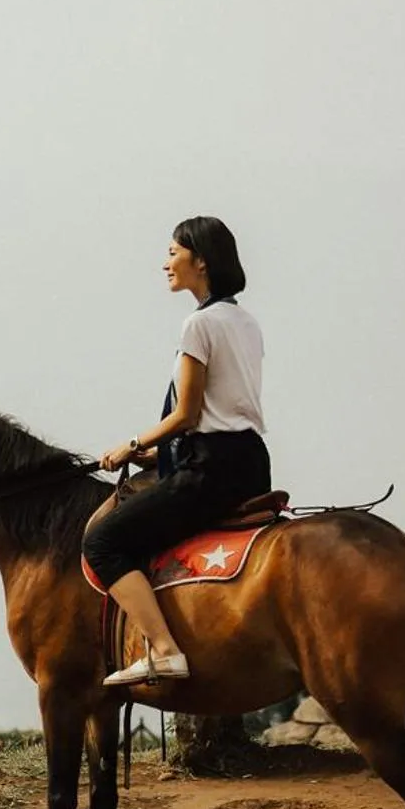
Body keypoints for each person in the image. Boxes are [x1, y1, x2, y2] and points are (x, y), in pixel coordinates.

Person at [84, 216, 270, 685]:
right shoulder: (247, 322)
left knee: (102, 542)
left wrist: (131, 446)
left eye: (172, 252)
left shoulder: (198, 324)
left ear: (200, 261)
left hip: (211, 468)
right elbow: (223, 407)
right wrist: (157, 457)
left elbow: (186, 414)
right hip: (250, 461)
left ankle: (165, 650)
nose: (165, 263)